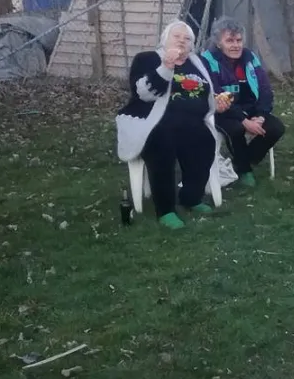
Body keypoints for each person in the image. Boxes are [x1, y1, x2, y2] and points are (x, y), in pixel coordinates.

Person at [116, 20, 221, 229]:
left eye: (187, 39)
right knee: (161, 143)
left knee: (206, 140)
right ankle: (165, 210)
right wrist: (166, 67)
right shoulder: (147, 59)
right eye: (177, 36)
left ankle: (191, 197)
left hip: (191, 123)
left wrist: (217, 104)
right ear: (164, 39)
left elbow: (207, 94)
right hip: (154, 123)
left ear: (192, 45)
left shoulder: (197, 62)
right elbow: (144, 94)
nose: (182, 41)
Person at [200, 17, 284, 187]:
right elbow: (217, 94)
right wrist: (244, 121)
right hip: (222, 111)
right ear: (218, 43)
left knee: (276, 128)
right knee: (236, 129)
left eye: (239, 40)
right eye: (229, 41)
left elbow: (265, 89)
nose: (236, 45)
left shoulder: (249, 57)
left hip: (251, 108)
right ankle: (245, 170)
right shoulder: (207, 60)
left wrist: (261, 115)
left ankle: (242, 162)